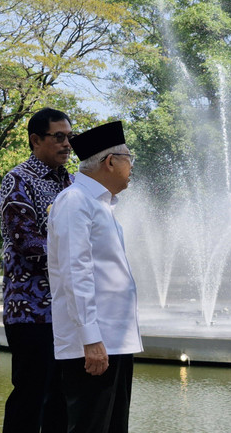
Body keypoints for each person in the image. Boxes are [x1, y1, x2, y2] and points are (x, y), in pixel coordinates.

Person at [47, 120, 143, 433]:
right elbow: (76, 272)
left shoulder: (101, 205)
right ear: (110, 161)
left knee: (113, 425)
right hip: (95, 344)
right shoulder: (75, 201)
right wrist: (91, 339)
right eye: (129, 159)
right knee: (91, 425)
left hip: (115, 341)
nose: (132, 167)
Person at [0, 107, 74, 432]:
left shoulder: (72, 183)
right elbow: (27, 243)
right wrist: (81, 260)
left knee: (62, 400)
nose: (67, 144)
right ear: (35, 139)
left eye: (70, 137)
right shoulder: (18, 181)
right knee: (31, 399)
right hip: (31, 312)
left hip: (67, 312)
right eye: (59, 137)